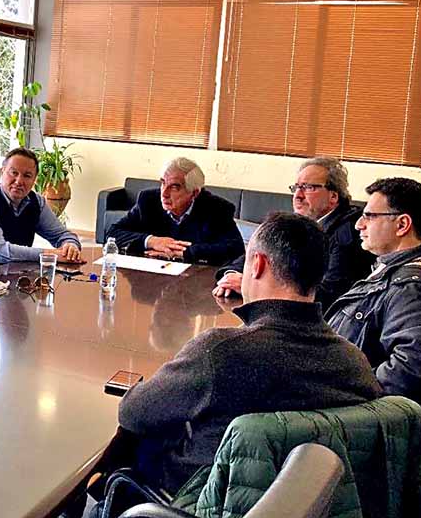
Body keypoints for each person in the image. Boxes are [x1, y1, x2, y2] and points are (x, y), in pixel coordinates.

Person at [117, 212, 381, 495]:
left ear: (257, 265)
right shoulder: (354, 363)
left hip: (202, 506)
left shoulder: (219, 352)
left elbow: (133, 412)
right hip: (305, 511)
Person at [326, 178, 421, 426]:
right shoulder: (392, 273)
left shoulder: (414, 288)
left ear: (402, 224)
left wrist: (344, 395)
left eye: (369, 216)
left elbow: (418, 366)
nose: (359, 224)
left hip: (358, 426)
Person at [213, 157, 375, 307]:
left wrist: (249, 286)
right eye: (296, 188)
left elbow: (331, 294)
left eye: (308, 188)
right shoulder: (296, 224)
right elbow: (253, 255)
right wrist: (231, 276)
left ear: (333, 196)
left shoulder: (349, 233)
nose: (298, 196)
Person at [0, 147, 82, 270]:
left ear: (34, 180)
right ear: (2, 172)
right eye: (14, 173)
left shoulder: (37, 202)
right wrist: (50, 255)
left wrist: (70, 246)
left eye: (27, 175)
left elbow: (62, 235)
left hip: (14, 275)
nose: (19, 181)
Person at [106, 157, 244, 265]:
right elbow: (112, 233)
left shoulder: (217, 208)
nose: (164, 193)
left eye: (174, 187)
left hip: (194, 281)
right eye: (163, 183)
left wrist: (184, 252)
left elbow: (235, 249)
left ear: (194, 193)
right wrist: (152, 241)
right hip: (151, 278)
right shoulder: (148, 201)